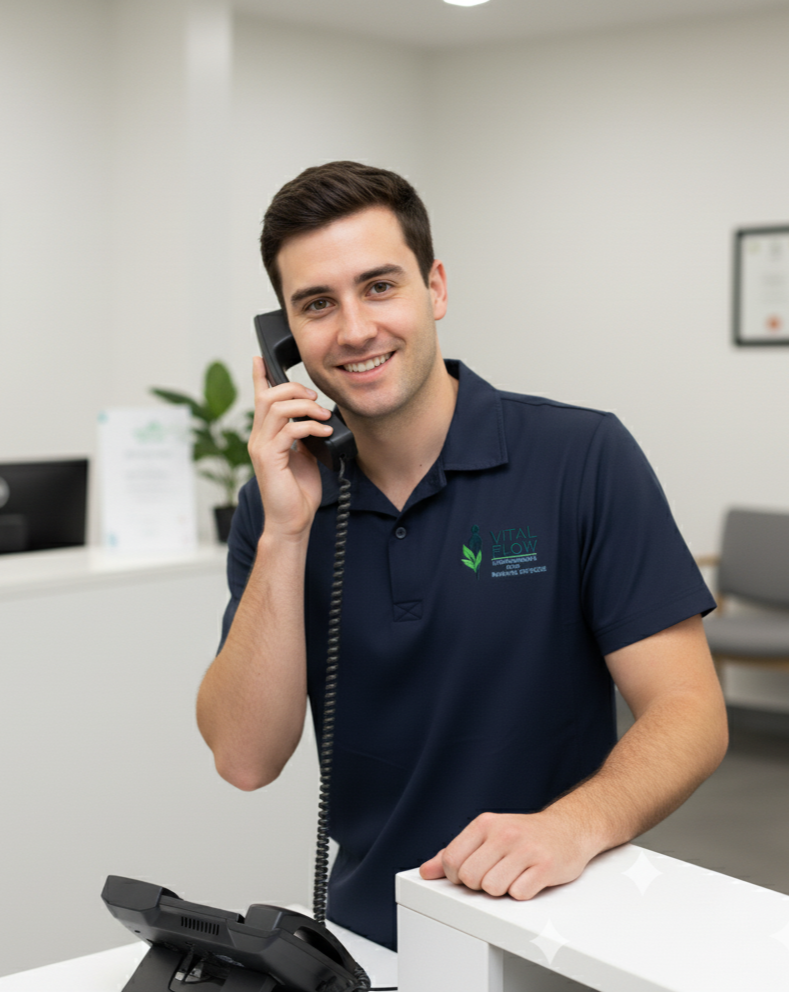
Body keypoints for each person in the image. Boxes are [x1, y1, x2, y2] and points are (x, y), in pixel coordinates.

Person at [196, 161, 728, 951]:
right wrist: (284, 533)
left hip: (557, 921)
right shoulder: (281, 511)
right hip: (372, 940)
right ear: (285, 339)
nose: (352, 329)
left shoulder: (580, 456)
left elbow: (690, 712)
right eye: (316, 304)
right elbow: (243, 758)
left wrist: (570, 826)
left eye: (379, 286)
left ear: (434, 288)